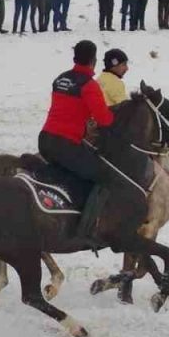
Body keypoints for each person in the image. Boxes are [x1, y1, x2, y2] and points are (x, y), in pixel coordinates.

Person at [38, 40, 121, 248]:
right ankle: (87, 227)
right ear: (93, 60)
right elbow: (104, 119)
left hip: (45, 139)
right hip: (65, 143)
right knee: (103, 175)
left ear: (75, 57)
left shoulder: (60, 79)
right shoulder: (88, 85)